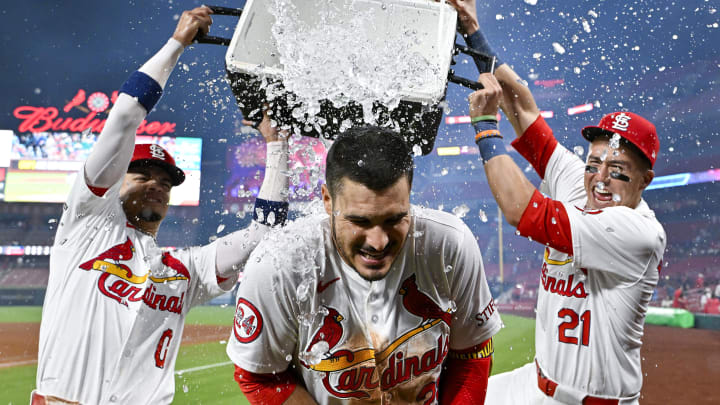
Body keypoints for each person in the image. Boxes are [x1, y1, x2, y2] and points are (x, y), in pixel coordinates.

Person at [33, 7, 290, 404]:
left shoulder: (185, 270)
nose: (156, 184)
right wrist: (176, 44)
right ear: (116, 180)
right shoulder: (86, 224)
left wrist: (276, 144)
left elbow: (264, 234)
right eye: (142, 174)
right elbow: (123, 117)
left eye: (166, 181)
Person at [446, 1, 666, 404]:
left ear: (644, 181)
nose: (599, 179)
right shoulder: (579, 184)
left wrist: (484, 128)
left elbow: (524, 213)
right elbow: (523, 107)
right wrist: (472, 30)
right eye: (593, 162)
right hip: (535, 383)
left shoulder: (639, 231)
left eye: (617, 169)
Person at [226, 126, 501, 404]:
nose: (378, 242)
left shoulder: (449, 245)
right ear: (327, 200)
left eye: (394, 219)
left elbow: (471, 353)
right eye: (360, 222)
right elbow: (260, 377)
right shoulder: (279, 263)